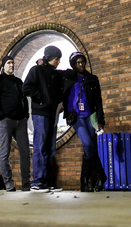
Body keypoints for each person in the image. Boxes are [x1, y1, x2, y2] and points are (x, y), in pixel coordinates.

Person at [61, 52, 106, 192]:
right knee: (87, 143)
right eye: (78, 62)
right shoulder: (68, 78)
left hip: (91, 116)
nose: (81, 65)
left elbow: (98, 101)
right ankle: (101, 175)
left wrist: (100, 120)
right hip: (76, 116)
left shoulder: (92, 79)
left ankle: (84, 183)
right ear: (73, 64)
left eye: (82, 62)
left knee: (90, 148)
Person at [23, 45, 63, 193]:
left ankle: (46, 182)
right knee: (40, 146)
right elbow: (26, 88)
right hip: (40, 113)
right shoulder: (36, 70)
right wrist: (42, 99)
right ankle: (37, 182)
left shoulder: (55, 74)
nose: (58, 61)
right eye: (57, 59)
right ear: (50, 58)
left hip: (53, 114)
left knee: (50, 148)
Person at [0, 56, 30, 192]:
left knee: (25, 152)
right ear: (3, 66)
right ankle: (8, 183)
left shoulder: (18, 82)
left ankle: (26, 183)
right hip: (5, 121)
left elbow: (24, 98)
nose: (11, 65)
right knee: (5, 152)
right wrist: (1, 115)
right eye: (8, 63)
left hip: (21, 122)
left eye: (13, 63)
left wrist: (26, 114)